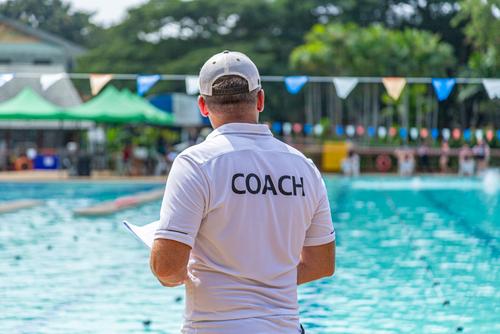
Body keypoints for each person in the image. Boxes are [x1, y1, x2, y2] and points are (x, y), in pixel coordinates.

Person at [150, 51, 335, 334]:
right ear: (260, 98)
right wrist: (268, 280)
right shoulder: (304, 168)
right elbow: (322, 264)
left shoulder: (195, 164)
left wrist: (175, 275)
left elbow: (167, 268)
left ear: (203, 105)